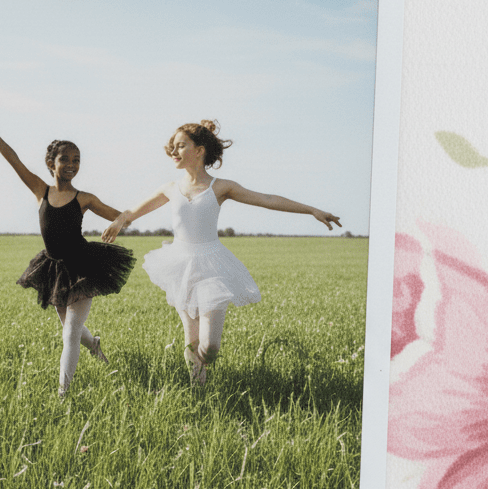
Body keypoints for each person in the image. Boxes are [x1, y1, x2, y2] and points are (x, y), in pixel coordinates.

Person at [102, 120, 340, 385]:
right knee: (190, 339)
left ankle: (203, 365)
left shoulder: (220, 187)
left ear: (200, 150)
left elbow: (267, 199)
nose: (174, 151)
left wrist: (312, 210)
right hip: (180, 264)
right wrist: (119, 221)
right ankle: (198, 391)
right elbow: (132, 212)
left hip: (211, 266)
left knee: (210, 348)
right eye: (173, 147)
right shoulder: (169, 188)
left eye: (181, 146)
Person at [0, 113, 135, 395]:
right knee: (72, 328)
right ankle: (95, 346)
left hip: (83, 265)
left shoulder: (85, 198)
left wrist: (119, 222)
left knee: (69, 333)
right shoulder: (40, 190)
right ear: (51, 163)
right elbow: (13, 159)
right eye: (65, 159)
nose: (71, 165)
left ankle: (63, 395)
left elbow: (126, 217)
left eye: (76, 160)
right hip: (54, 268)